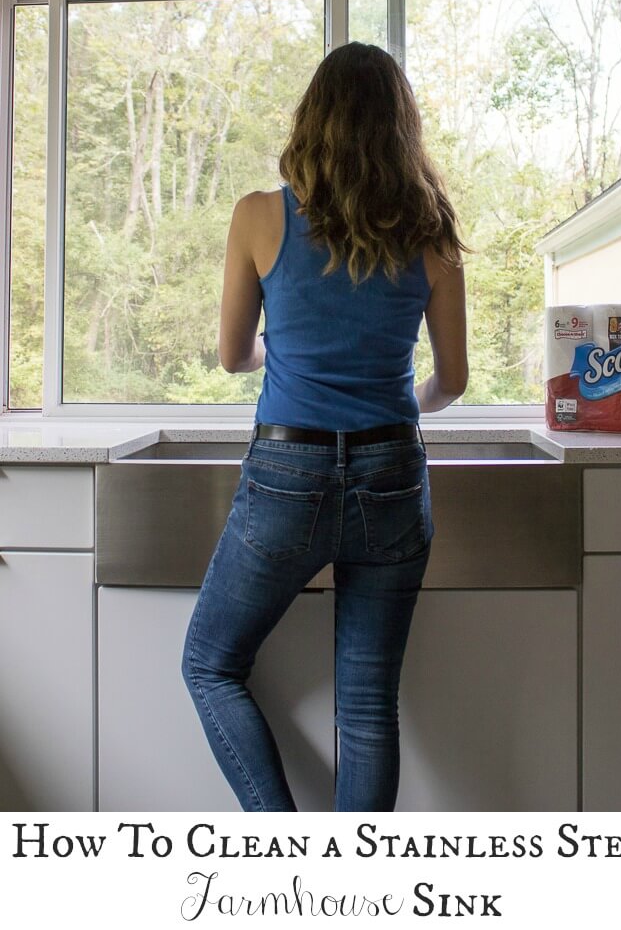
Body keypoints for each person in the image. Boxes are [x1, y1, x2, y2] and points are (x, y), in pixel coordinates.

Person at [181, 41, 469, 812]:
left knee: (210, 666)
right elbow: (453, 381)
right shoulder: (433, 231)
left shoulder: (257, 216)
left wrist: (285, 348)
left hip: (288, 477)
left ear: (314, 121)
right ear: (401, 130)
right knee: (368, 705)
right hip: (392, 478)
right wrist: (411, 393)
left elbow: (232, 355)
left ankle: (285, 861)